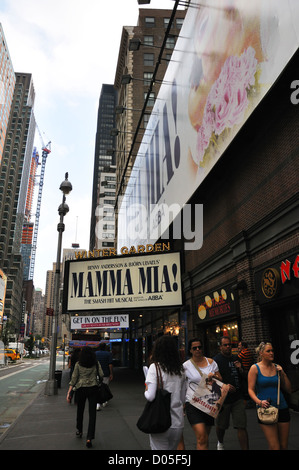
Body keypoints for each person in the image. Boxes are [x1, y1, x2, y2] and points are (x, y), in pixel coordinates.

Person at [144, 335, 186, 450]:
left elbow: (150, 396)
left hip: (160, 420)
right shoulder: (181, 369)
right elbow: (182, 398)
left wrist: (146, 389)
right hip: (177, 422)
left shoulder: (154, 367)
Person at [248, 341, 292, 450]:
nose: (271, 353)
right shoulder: (255, 368)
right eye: (268, 351)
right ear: (261, 353)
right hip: (265, 409)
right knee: (275, 446)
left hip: (282, 407)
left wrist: (283, 374)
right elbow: (250, 389)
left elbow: (288, 389)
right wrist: (259, 402)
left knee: (283, 446)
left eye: (272, 351)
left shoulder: (277, 368)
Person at [183, 337, 222, 450]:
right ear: (190, 350)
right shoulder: (185, 366)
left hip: (209, 403)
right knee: (202, 437)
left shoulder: (211, 362)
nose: (198, 350)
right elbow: (182, 385)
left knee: (204, 438)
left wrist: (214, 376)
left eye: (199, 347)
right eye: (194, 348)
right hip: (193, 403)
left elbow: (220, 379)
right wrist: (182, 404)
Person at [214, 336, 249, 450]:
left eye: (230, 344)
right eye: (225, 345)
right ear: (221, 347)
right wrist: (225, 386)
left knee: (241, 425)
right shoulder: (216, 361)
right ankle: (220, 442)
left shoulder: (236, 358)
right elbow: (212, 380)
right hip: (223, 399)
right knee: (221, 426)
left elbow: (245, 376)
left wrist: (240, 368)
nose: (228, 346)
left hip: (237, 398)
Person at [67, 346, 103, 448]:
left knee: (80, 410)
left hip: (80, 389)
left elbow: (74, 379)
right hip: (93, 389)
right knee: (92, 414)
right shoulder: (96, 363)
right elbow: (101, 374)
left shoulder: (78, 364)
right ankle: (89, 438)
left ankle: (79, 430)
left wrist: (69, 392)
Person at [95, 343, 113, 410]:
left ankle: (98, 403)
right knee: (105, 387)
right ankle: (104, 401)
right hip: (106, 373)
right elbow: (110, 364)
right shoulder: (108, 354)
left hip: (96, 373)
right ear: (105, 347)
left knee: (98, 388)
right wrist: (111, 373)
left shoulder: (95, 354)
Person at [238, 341, 254, 407]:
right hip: (249, 371)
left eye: (239, 345)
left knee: (244, 386)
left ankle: (247, 403)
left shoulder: (243, 353)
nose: (238, 347)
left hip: (244, 371)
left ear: (243, 346)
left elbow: (237, 358)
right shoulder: (249, 351)